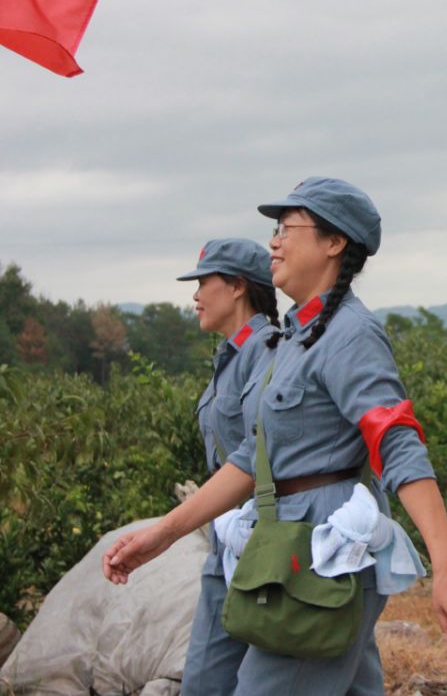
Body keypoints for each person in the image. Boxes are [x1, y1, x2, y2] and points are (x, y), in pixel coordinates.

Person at [104, 177, 447, 694]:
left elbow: (396, 442)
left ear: (334, 243)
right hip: (285, 547)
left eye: (288, 228)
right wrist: (164, 533)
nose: (274, 242)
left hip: (323, 555)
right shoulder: (295, 339)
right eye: (275, 230)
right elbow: (253, 459)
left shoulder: (350, 334)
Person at [174, 238, 279, 695]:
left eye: (204, 282)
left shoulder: (270, 352)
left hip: (263, 545)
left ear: (238, 286)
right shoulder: (231, 356)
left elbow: (261, 455)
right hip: (227, 542)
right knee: (204, 679)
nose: (195, 295)